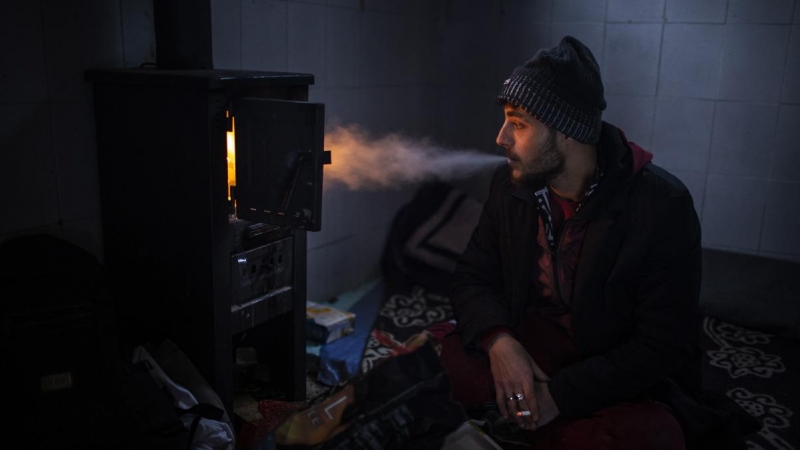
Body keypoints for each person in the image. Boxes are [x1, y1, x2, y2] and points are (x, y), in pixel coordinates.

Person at [436, 36, 755, 449]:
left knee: (645, 436)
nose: (501, 139)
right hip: (531, 345)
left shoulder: (661, 207)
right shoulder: (511, 186)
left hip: (608, 369)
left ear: (567, 132)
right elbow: (473, 276)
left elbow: (663, 344)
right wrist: (501, 342)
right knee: (430, 365)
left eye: (518, 124)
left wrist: (561, 396)